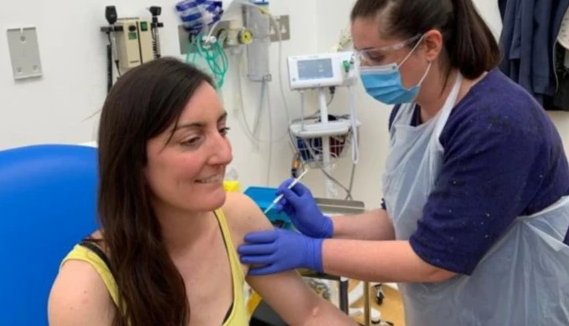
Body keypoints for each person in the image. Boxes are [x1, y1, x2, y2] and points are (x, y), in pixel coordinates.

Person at [238, 0, 569, 326]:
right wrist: (328, 227)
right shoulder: (408, 110)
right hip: (462, 305)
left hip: (529, 306)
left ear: (430, 45)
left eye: (376, 57)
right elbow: (404, 217)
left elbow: (434, 260)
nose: (364, 69)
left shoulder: (497, 122)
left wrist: (311, 252)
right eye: (360, 55)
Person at [47, 58, 356, 326]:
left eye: (222, 130)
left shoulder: (238, 218)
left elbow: (310, 313)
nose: (224, 154)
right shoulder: (84, 289)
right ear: (134, 161)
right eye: (192, 139)